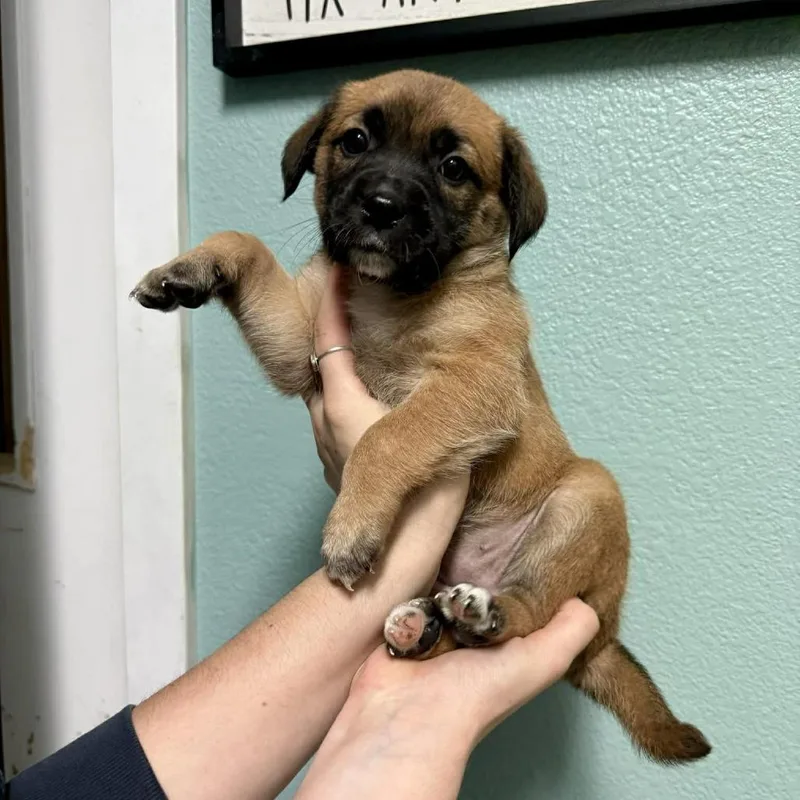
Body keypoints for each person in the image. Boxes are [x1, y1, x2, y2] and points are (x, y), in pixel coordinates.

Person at [5, 266, 598, 800]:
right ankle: (446, 632)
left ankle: (503, 613)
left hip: (522, 531)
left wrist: (382, 469)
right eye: (352, 154)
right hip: (435, 577)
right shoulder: (336, 273)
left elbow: (485, 403)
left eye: (451, 181)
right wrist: (239, 265)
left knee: (590, 495)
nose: (384, 195)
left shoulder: (472, 293)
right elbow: (298, 360)